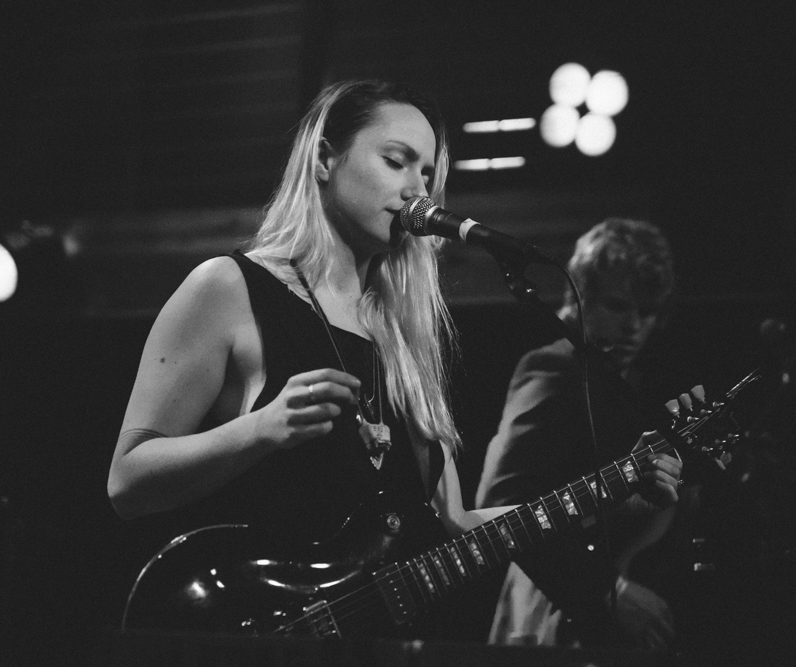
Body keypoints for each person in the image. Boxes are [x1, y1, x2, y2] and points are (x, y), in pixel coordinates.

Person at [106, 80, 682, 639]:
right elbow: (128, 479)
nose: (419, 189)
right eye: (397, 161)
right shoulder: (229, 288)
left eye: (428, 172)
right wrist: (261, 426)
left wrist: (615, 487)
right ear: (325, 159)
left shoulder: (403, 336)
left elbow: (454, 524)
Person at [475, 217, 683, 649]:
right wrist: (609, 591)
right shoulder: (555, 367)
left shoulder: (630, 385)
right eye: (618, 306)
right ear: (578, 296)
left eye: (647, 312)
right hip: (551, 610)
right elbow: (500, 503)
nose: (634, 327)